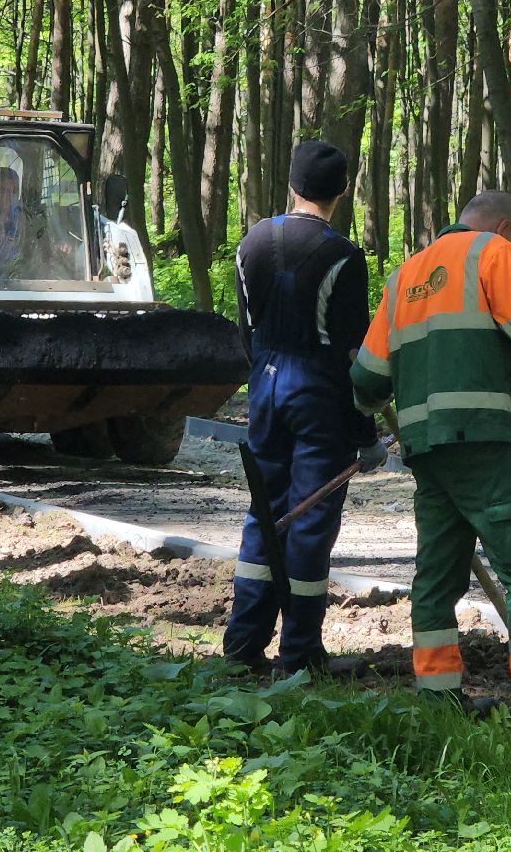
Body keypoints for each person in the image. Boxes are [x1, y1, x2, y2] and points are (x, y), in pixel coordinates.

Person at [350, 191, 511, 746]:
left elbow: (366, 380)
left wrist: (387, 406)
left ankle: (438, 699)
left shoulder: (405, 275)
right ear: (505, 227)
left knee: (437, 576)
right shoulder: (494, 253)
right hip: (483, 441)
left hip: (426, 450)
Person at [224, 140, 384, 675]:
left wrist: (262, 379)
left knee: (264, 514)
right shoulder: (343, 257)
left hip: (265, 389)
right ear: (343, 191)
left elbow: (247, 330)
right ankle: (300, 654)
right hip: (319, 396)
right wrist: (365, 433)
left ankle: (242, 646)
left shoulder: (252, 243)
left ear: (291, 184)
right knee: (310, 522)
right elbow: (351, 353)